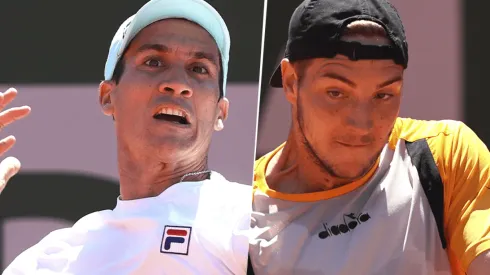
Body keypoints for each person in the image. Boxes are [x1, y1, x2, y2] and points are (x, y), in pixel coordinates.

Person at [2, 0, 251, 274]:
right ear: (108, 96)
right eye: (154, 62)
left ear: (221, 111)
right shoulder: (52, 261)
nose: (178, 84)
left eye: (199, 69)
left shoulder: (253, 220)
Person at [248, 0, 490, 275]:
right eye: (336, 93)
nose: (362, 124)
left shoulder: (444, 154)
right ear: (291, 82)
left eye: (383, 95)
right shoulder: (238, 209)